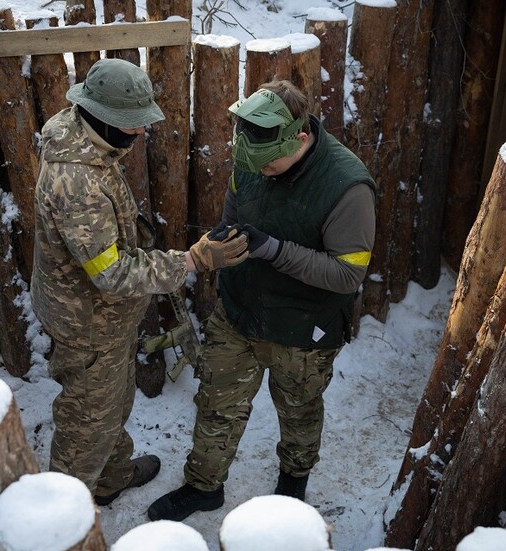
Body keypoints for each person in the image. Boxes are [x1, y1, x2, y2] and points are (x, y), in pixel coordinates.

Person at [148, 80, 377, 521]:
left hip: (303, 329)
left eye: (270, 164)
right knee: (216, 404)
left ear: (301, 138)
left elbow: (348, 274)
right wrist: (224, 238)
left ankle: (294, 481)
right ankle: (203, 486)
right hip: (239, 313)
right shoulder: (251, 158)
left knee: (299, 412)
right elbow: (233, 214)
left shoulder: (348, 188)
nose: (261, 170)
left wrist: (272, 249)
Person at [30, 58, 248, 506]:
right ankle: (58, 518)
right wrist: (191, 261)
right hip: (88, 322)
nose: (141, 133)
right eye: (132, 126)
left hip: (100, 318)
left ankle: (111, 478)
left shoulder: (76, 130)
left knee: (112, 404)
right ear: (102, 117)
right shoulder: (80, 184)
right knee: (87, 423)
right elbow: (111, 274)